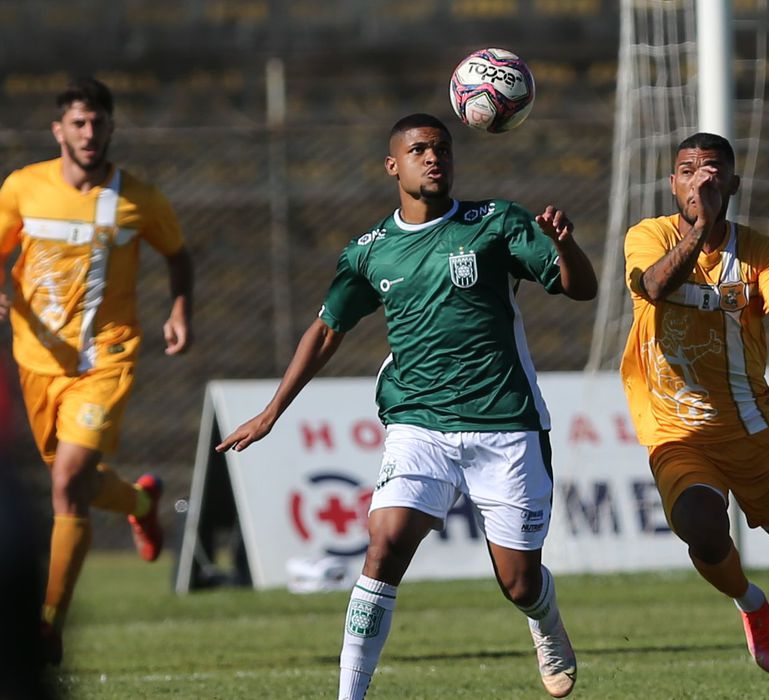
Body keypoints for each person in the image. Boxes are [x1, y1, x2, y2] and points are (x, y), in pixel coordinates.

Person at [216, 112, 597, 700]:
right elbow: (327, 330)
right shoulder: (370, 252)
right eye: (419, 149)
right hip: (418, 424)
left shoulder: (496, 222)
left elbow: (580, 288)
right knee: (384, 545)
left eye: (442, 148)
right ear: (393, 165)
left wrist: (565, 245)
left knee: (520, 584)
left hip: (505, 423)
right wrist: (272, 412)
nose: (433, 157)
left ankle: (545, 621)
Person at [619, 132, 769, 700]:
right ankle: (750, 601)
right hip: (678, 430)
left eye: (713, 170)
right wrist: (700, 228)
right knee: (699, 526)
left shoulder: (759, 250)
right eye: (688, 170)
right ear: (673, 183)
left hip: (754, 431)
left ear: (733, 183)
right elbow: (654, 286)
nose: (700, 179)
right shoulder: (648, 236)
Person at [0, 76, 193, 664]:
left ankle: (48, 624)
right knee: (74, 480)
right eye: (78, 123)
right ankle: (140, 504)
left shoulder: (138, 198)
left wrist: (179, 309)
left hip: (106, 359)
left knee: (67, 481)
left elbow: (177, 254)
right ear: (58, 130)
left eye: (98, 122)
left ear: (111, 128)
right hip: (37, 360)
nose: (89, 133)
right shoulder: (23, 187)